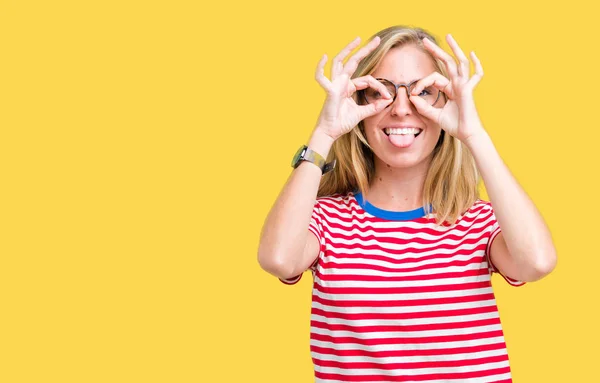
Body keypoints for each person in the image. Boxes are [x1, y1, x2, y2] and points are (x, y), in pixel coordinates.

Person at [257, 25, 557, 382]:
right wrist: (324, 132)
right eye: (381, 91)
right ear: (360, 103)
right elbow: (278, 259)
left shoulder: (476, 221)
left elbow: (537, 263)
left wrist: (474, 135)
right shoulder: (325, 219)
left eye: (423, 92)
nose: (401, 109)